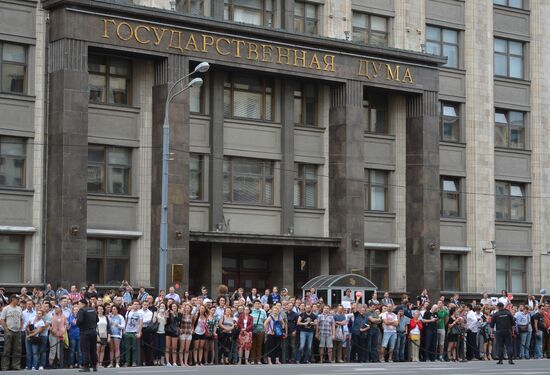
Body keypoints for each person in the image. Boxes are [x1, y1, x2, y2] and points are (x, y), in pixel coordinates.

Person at [0, 294, 23, 371]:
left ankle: (16, 366)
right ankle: (5, 366)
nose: (18, 300)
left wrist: (20, 327)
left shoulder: (19, 308)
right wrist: (6, 330)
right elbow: (2, 320)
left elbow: (21, 319)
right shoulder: (6, 308)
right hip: (9, 330)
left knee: (17, 349)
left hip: (17, 331)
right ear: (13, 299)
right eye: (17, 299)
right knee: (7, 349)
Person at [77, 298, 99, 372]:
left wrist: (77, 323)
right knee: (93, 349)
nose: (78, 305)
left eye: (79, 304)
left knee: (85, 349)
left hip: (85, 332)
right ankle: (95, 366)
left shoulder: (82, 310)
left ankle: (86, 366)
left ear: (83, 304)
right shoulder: (93, 310)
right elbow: (97, 320)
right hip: (93, 331)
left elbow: (80, 320)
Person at [124, 300, 143, 367]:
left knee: (134, 348)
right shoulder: (129, 312)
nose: (136, 305)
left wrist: (139, 332)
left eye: (137, 304)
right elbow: (126, 321)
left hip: (135, 332)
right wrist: (124, 330)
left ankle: (134, 361)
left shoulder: (140, 313)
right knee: (127, 348)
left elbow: (140, 323)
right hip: (128, 331)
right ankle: (127, 362)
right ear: (132, 305)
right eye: (135, 304)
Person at [250, 300, 266, 364]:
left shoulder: (263, 311)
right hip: (252, 329)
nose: (257, 305)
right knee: (253, 345)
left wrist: (265, 329)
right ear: (253, 304)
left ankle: (258, 360)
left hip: (261, 330)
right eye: (256, 303)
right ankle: (252, 360)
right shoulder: (251, 311)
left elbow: (265, 321)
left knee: (259, 345)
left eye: (258, 304)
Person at [165, 302, 180, 366]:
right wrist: (167, 316)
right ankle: (168, 362)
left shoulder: (179, 314)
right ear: (171, 307)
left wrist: (174, 315)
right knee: (168, 347)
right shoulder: (168, 313)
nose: (174, 307)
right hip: (168, 331)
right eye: (173, 306)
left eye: (175, 306)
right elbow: (167, 323)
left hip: (175, 331)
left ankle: (174, 362)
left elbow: (179, 321)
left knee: (174, 347)